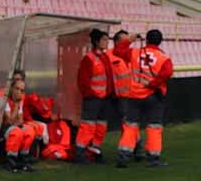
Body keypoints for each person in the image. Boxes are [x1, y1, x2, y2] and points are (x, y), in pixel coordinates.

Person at [114, 30, 173, 168]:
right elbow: (168, 72)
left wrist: (130, 39)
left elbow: (117, 51)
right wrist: (152, 84)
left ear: (146, 40)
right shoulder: (164, 58)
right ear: (160, 41)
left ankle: (123, 156)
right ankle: (153, 159)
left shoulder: (134, 52)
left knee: (130, 126)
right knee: (154, 127)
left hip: (134, 95)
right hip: (153, 96)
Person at [74, 29, 129, 165]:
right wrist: (91, 95)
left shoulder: (104, 57)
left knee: (101, 127)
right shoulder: (89, 59)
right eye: (104, 40)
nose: (106, 42)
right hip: (94, 99)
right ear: (97, 42)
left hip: (104, 98)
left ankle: (95, 151)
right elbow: (83, 81)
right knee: (88, 126)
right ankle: (80, 153)